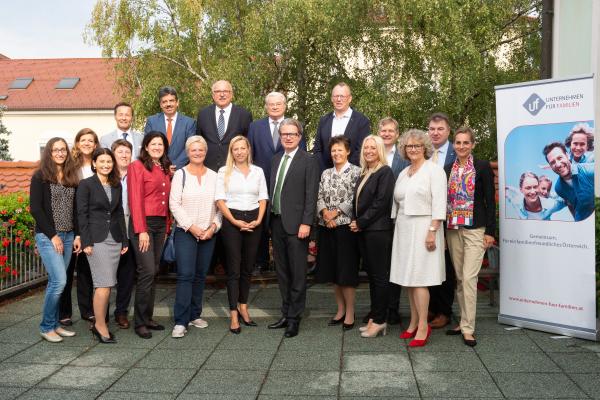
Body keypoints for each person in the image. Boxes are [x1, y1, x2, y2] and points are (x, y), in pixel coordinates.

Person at [390, 129, 447, 347]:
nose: (412, 149)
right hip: (404, 228)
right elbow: (397, 203)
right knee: (409, 279)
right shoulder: (404, 172)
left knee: (421, 279)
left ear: (425, 148)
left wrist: (433, 231)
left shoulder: (434, 171)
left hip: (425, 228)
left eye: (417, 146)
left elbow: (439, 203)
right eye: (409, 146)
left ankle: (424, 325)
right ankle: (413, 322)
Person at [443, 127, 496, 347]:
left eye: (466, 142)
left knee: (469, 278)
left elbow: (490, 200)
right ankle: (464, 321)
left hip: (475, 229)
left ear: (473, 144)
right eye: (458, 142)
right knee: (460, 278)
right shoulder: (447, 169)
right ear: (453, 145)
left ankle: (468, 328)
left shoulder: (482, 166)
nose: (462, 146)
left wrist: (491, 232)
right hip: (453, 228)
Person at [267, 118, 319, 338]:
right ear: (280, 137)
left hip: (298, 225)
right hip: (276, 222)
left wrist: (307, 222)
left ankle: (294, 319)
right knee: (282, 272)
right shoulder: (275, 158)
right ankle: (285, 312)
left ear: (299, 137)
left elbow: (311, 195)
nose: (288, 137)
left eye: (292, 134)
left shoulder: (309, 160)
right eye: (284, 134)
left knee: (298, 273)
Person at [169, 136, 222, 338]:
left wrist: (214, 227)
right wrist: (191, 227)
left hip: (209, 233)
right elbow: (174, 204)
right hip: (186, 232)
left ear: (205, 152)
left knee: (200, 276)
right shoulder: (180, 175)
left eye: (201, 150)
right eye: (193, 150)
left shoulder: (214, 176)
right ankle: (181, 321)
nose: (197, 153)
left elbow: (220, 206)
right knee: (185, 275)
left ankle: (194, 314)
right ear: (188, 152)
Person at [247, 92, 306, 272]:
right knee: (262, 221)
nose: (274, 107)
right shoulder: (255, 127)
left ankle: (285, 262)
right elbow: (250, 154)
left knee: (284, 221)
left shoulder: (295, 126)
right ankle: (261, 261)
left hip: (286, 181)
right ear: (266, 106)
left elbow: (301, 156)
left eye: (278, 104)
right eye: (270, 104)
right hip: (261, 180)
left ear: (285, 106)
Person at [30, 137, 81, 342]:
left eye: (63, 150)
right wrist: (53, 236)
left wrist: (77, 234)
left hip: (69, 235)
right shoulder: (40, 176)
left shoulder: (70, 176)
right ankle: (45, 326)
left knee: (58, 281)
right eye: (55, 150)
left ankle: (54, 324)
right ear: (49, 153)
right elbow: (36, 209)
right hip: (48, 236)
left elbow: (75, 209)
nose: (60, 153)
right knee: (59, 281)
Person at [216, 136, 268, 334]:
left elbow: (263, 197)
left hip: (254, 219)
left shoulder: (258, 171)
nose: (239, 152)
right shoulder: (224, 171)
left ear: (248, 150)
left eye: (242, 148)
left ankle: (244, 307)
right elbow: (220, 200)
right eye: (235, 149)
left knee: (247, 268)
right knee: (234, 269)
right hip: (232, 219)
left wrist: (259, 220)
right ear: (231, 151)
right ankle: (233, 315)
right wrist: (234, 221)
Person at [77, 148, 129, 343]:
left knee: (108, 284)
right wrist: (86, 241)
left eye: (109, 161)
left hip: (114, 239)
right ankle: (99, 325)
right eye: (102, 161)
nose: (106, 165)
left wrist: (124, 239)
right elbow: (82, 215)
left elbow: (118, 214)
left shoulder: (117, 185)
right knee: (103, 284)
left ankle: (99, 322)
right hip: (96, 240)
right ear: (94, 163)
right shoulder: (86, 185)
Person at [128, 132, 172, 339]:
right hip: (143, 225)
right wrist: (141, 230)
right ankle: (139, 323)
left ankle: (148, 317)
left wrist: (167, 226)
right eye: (153, 144)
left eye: (160, 144)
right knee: (146, 271)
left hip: (161, 224)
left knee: (154, 270)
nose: (157, 147)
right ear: (145, 146)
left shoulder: (164, 167)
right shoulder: (137, 166)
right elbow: (135, 200)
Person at [350, 135, 394, 338]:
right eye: (366, 148)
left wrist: (360, 222)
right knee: (373, 278)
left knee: (380, 277)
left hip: (378, 231)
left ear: (380, 151)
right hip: (366, 232)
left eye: (373, 148)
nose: (368, 151)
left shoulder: (385, 172)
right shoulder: (366, 172)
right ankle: (374, 318)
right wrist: (357, 221)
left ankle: (379, 320)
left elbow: (381, 203)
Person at [316, 136, 361, 330]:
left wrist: (336, 212)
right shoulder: (326, 173)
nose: (336, 153)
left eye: (340, 150)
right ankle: (340, 309)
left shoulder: (356, 172)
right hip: (327, 226)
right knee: (332, 270)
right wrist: (325, 213)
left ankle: (350, 312)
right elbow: (319, 195)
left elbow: (355, 197)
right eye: (333, 150)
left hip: (346, 228)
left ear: (348, 151)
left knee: (346, 272)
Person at [59, 128, 98, 325]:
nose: (87, 143)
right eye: (83, 140)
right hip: (70, 223)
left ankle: (87, 309)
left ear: (95, 144)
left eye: (90, 140)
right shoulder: (69, 167)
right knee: (66, 270)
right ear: (77, 143)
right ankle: (64, 312)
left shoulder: (99, 165)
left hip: (91, 224)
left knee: (85, 270)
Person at [377, 117, 409, 325]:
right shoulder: (372, 154)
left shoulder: (404, 158)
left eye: (391, 131)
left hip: (398, 217)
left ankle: (393, 309)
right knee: (378, 266)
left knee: (395, 264)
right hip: (376, 219)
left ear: (397, 134)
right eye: (383, 130)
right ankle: (378, 309)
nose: (387, 134)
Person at [426, 112, 456, 330]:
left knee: (445, 266)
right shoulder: (423, 152)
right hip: (427, 218)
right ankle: (431, 307)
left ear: (448, 131)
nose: (435, 133)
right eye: (432, 129)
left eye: (440, 129)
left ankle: (444, 311)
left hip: (451, 219)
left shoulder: (458, 152)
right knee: (429, 262)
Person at [196, 80, 253, 172]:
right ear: (213, 95)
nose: (222, 95)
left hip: (234, 168)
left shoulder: (244, 115)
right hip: (208, 168)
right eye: (218, 91)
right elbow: (199, 140)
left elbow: (248, 143)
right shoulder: (203, 114)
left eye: (225, 91)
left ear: (231, 94)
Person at [313, 82, 371, 171]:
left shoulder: (362, 121)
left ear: (350, 98)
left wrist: (343, 170)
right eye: (336, 96)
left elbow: (361, 150)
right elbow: (317, 150)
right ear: (332, 98)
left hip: (352, 176)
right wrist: (326, 172)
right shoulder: (323, 121)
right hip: (325, 176)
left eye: (342, 96)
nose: (339, 99)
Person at [110, 139, 137, 329]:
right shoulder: (107, 175)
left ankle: (121, 311)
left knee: (127, 273)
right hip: (110, 228)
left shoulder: (136, 174)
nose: (124, 155)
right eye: (120, 152)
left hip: (132, 226)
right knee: (107, 273)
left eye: (127, 152)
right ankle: (99, 313)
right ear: (113, 155)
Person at [144, 86, 197, 169]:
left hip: (181, 170)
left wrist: (174, 166)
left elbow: (190, 147)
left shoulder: (189, 123)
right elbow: (148, 145)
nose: (168, 104)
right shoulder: (151, 121)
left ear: (177, 102)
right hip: (157, 170)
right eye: (164, 102)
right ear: (161, 104)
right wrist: (162, 166)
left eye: (171, 101)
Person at [543, 142, 594, 221]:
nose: (558, 164)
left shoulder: (589, 171)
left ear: (567, 156)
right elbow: (570, 204)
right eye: (552, 162)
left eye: (560, 158)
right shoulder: (558, 188)